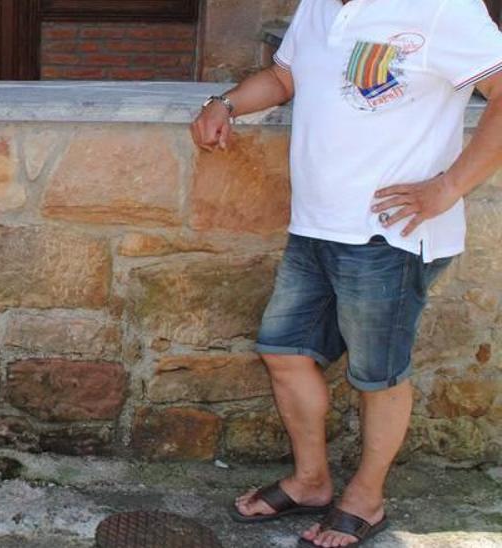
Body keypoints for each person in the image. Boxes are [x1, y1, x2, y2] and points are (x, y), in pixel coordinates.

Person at [190, 0, 502, 547]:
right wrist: (226, 103)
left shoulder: (442, 7)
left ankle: (367, 497)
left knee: (377, 376)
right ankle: (311, 482)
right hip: (315, 226)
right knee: (283, 352)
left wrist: (448, 187)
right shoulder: (319, 5)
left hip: (390, 236)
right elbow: (284, 76)